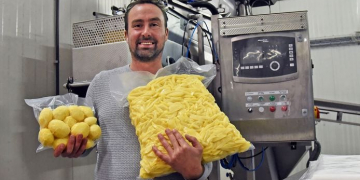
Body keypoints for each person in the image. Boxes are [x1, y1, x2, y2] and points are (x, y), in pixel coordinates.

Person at [53, 0, 213, 179]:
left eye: (154, 24)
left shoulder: (187, 86)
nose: (146, 32)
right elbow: (89, 140)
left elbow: (206, 153)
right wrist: (75, 147)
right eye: (137, 25)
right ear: (126, 35)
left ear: (166, 33)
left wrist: (196, 171)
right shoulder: (102, 83)